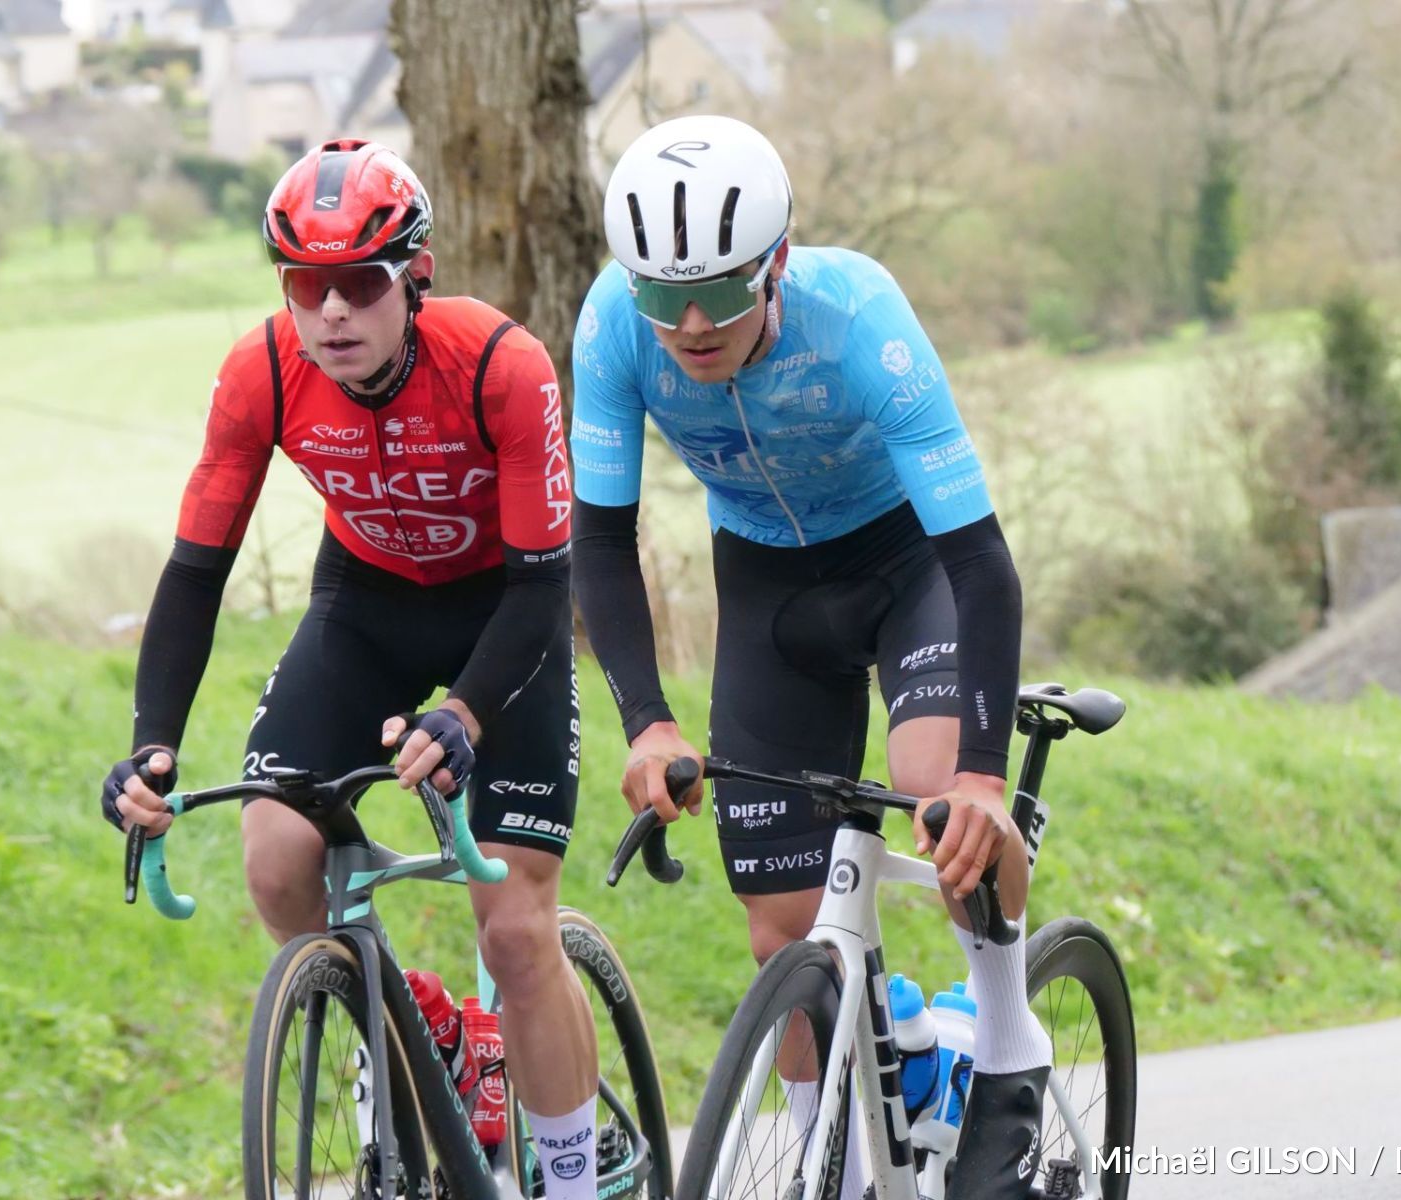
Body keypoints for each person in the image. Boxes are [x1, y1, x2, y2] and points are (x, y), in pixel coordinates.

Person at [99, 139, 600, 1196]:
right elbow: (195, 574)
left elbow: (543, 589)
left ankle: (564, 1177)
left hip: (504, 616)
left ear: (416, 278)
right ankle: (420, 1026)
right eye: (304, 285)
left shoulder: (502, 366)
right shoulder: (261, 373)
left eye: (360, 284)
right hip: (365, 607)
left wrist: (466, 713)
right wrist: (152, 749)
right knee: (277, 860)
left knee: (516, 931)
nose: (331, 312)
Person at [570, 115, 1050, 1198]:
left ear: (776, 260)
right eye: (664, 297)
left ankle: (1008, 1040)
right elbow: (597, 543)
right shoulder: (610, 326)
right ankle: (836, 1165)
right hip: (768, 590)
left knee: (942, 801)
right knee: (782, 931)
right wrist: (647, 721)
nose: (692, 325)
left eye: (720, 290)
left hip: (910, 568)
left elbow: (981, 563)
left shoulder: (861, 318)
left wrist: (983, 774)